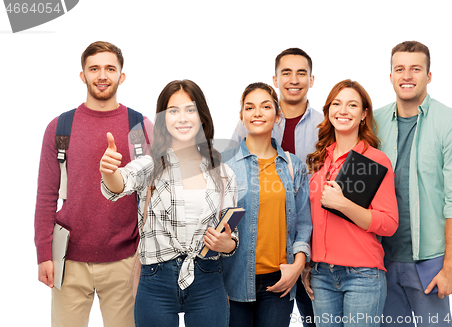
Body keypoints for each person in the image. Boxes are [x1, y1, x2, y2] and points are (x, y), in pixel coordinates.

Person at [100, 79, 238, 327]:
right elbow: (120, 183)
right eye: (173, 111)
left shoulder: (223, 173)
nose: (182, 118)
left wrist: (227, 244)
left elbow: (231, 235)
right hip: (155, 279)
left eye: (190, 109)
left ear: (202, 117)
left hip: (207, 278)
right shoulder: (149, 165)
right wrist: (109, 171)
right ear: (163, 119)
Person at [34, 41, 151, 327]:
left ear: (121, 76)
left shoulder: (140, 126)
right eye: (94, 68)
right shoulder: (60, 128)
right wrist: (42, 254)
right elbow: (46, 195)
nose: (102, 76)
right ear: (82, 75)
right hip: (69, 260)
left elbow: (153, 193)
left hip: (125, 259)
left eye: (110, 69)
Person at [374, 41, 452, 327]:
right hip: (380, 261)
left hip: (430, 264)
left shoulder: (451, 125)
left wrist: (451, 267)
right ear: (390, 76)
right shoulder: (375, 123)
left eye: (416, 69)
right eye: (400, 69)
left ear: (428, 75)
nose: (407, 76)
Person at [232, 47, 322, 327]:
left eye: (301, 73)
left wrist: (299, 262)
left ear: (277, 115)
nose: (257, 114)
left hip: (292, 264)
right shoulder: (227, 163)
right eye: (250, 108)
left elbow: (303, 218)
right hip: (235, 274)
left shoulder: (317, 134)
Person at [303, 79, 398, 327]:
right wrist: (307, 264)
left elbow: (389, 224)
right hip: (321, 275)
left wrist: (344, 204)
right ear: (328, 111)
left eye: (352, 105)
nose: (343, 111)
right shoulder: (318, 161)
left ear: (364, 114)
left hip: (362, 275)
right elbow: (309, 220)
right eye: (337, 103)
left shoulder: (375, 160)